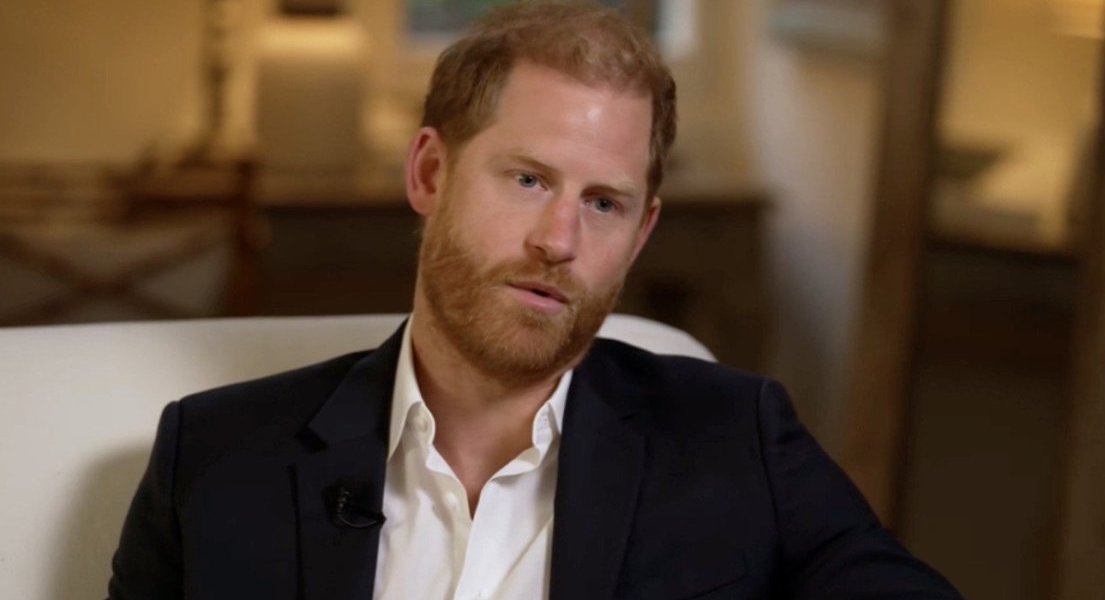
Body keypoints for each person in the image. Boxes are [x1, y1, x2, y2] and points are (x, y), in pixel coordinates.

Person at [108, 2, 962, 599]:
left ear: (642, 231)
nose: (560, 239)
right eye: (527, 180)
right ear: (429, 173)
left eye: (604, 203)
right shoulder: (215, 457)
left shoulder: (738, 440)